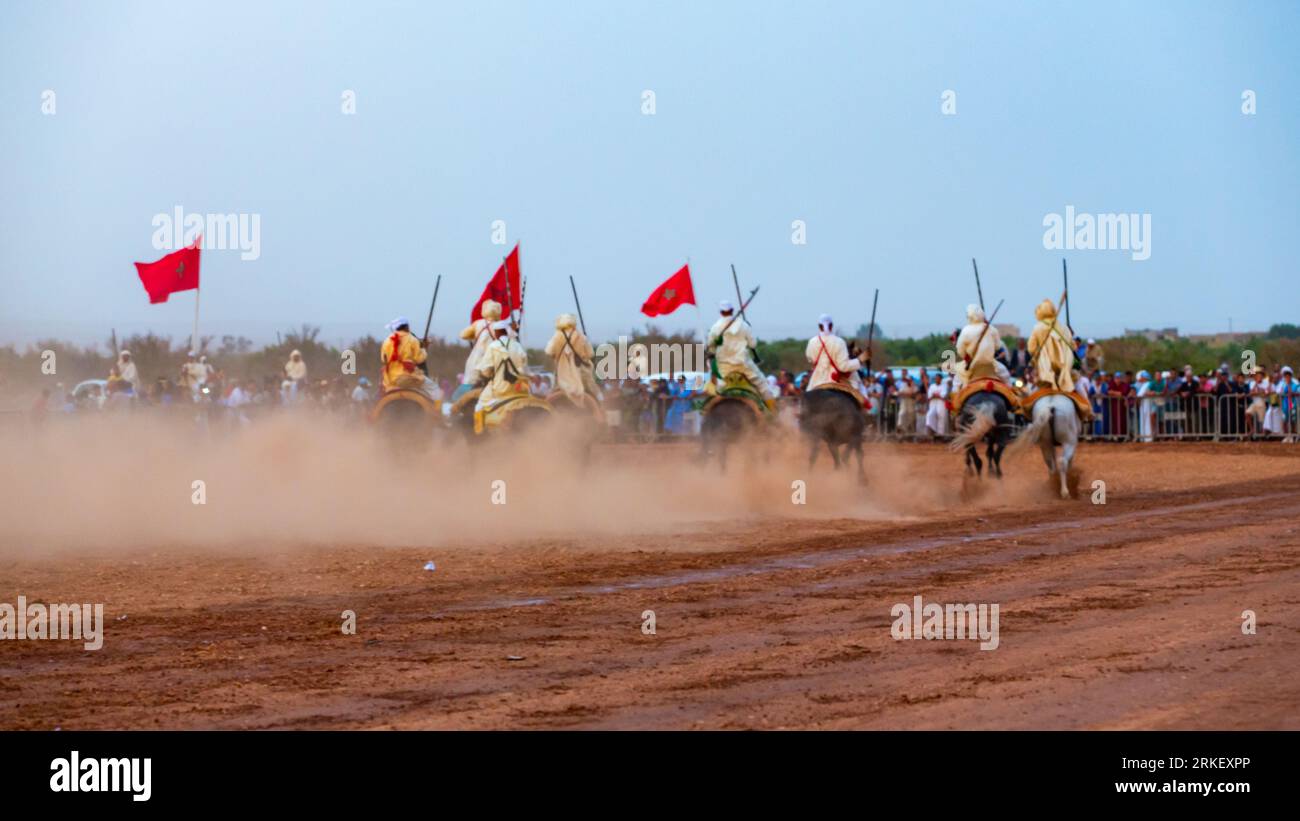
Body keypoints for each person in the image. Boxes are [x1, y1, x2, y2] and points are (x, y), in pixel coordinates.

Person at [707, 300, 775, 407]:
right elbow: (753, 344)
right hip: (744, 365)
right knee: (763, 386)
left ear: (720, 312)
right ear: (732, 310)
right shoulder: (743, 325)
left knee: (718, 389)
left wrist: (716, 344)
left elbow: (711, 349)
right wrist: (747, 327)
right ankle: (774, 413)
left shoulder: (715, 328)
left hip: (724, 369)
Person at [473, 319, 530, 431]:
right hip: (519, 388)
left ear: (497, 332)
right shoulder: (517, 345)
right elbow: (524, 365)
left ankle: (479, 432)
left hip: (500, 388)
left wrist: (489, 373)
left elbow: (485, 370)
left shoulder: (493, 346)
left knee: (479, 405)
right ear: (505, 331)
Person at [543, 313, 601, 405]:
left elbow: (549, 352)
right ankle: (601, 405)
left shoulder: (556, 337)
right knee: (594, 390)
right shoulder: (582, 337)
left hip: (562, 377)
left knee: (549, 396)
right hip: (581, 375)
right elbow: (590, 354)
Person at [804, 314, 867, 394]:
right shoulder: (839, 342)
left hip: (816, 381)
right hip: (835, 380)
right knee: (862, 391)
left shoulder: (812, 342)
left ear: (819, 326)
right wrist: (860, 360)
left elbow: (810, 359)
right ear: (831, 326)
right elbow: (843, 367)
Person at [455, 299, 502, 401]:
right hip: (493, 363)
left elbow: (463, 335)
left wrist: (474, 334)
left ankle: (457, 408)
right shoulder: (501, 326)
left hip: (475, 362)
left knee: (467, 386)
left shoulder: (478, 324)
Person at [1026, 299, 1076, 392]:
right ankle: (1087, 404)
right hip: (1065, 366)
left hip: (1046, 367)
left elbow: (1031, 348)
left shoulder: (1038, 327)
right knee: (1080, 389)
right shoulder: (1064, 327)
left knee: (1030, 393)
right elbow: (1073, 346)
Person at [954, 304, 1008, 388]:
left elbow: (960, 351)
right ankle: (1014, 397)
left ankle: (955, 398)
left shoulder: (965, 330)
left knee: (957, 382)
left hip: (972, 367)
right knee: (1006, 375)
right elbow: (998, 346)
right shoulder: (991, 329)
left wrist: (968, 356)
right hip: (991, 365)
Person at [380, 318, 433, 396]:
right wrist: (424, 349)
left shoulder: (386, 341)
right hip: (407, 377)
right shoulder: (412, 339)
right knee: (434, 389)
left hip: (389, 380)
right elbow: (419, 359)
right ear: (406, 327)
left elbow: (383, 360)